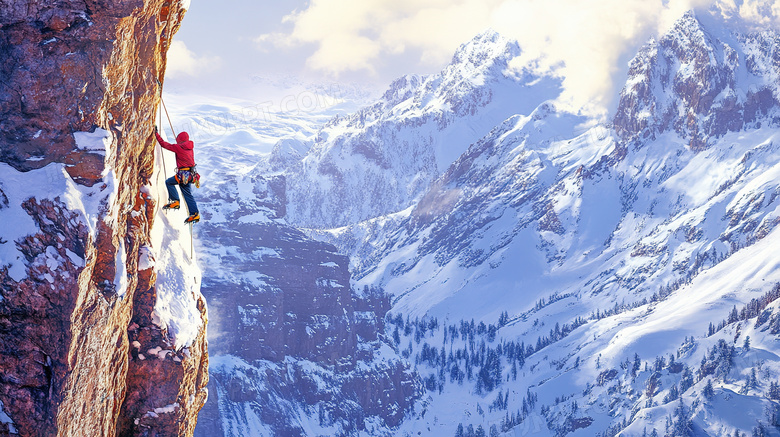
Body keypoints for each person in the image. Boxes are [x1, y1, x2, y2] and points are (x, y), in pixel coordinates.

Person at [154, 126, 200, 223]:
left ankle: (175, 201)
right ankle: (194, 214)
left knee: (169, 182)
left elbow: (164, 145)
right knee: (187, 194)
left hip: (183, 174)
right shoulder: (190, 148)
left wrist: (156, 134)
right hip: (191, 175)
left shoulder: (179, 147)